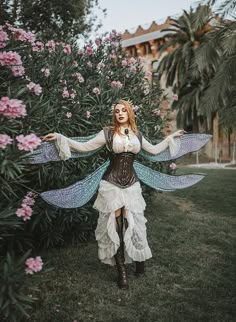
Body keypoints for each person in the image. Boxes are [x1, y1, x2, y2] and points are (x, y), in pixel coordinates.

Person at [38, 99, 210, 290]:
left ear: (129, 113)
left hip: (132, 184)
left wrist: (171, 139)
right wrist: (61, 138)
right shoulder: (108, 133)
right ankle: (122, 271)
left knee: (135, 221)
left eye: (123, 111)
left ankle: (139, 260)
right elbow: (85, 146)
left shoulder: (137, 134)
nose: (120, 113)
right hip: (111, 183)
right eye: (117, 111)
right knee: (117, 224)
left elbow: (153, 150)